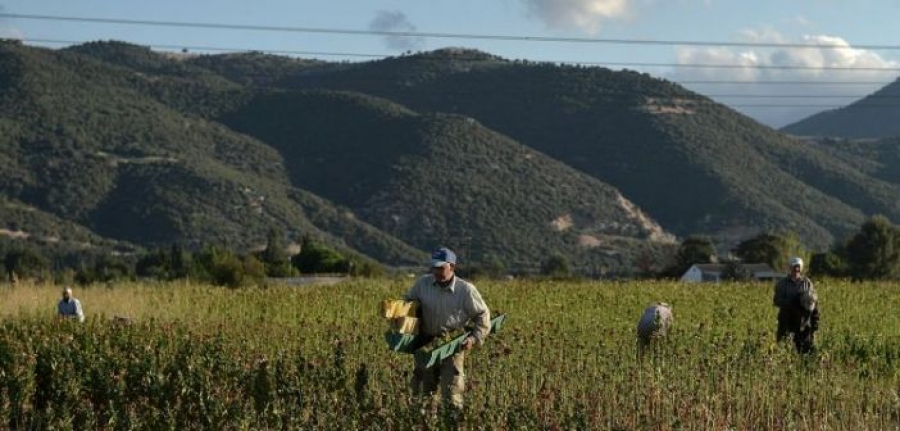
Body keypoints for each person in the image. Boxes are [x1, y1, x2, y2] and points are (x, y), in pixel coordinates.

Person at [403, 247, 491, 412]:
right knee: (422, 394)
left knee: (452, 394)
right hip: (426, 345)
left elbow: (482, 315)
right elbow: (407, 302)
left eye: (440, 267)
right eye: (434, 267)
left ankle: (451, 423)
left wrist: (473, 338)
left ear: (452, 266)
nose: (436, 271)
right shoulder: (423, 284)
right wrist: (401, 314)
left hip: (452, 346)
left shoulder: (465, 290)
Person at [773, 257, 819, 354]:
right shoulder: (782, 284)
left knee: (805, 351)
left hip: (803, 323)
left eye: (798, 268)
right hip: (786, 322)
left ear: (801, 269)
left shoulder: (807, 283)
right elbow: (777, 301)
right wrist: (792, 302)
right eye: (794, 268)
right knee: (785, 350)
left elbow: (814, 302)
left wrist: (814, 324)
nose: (796, 271)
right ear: (790, 268)